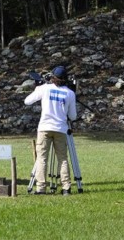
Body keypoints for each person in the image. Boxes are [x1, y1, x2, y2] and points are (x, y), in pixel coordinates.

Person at [24, 66, 77, 196]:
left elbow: (27, 101)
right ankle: (66, 187)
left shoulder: (44, 89)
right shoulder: (70, 93)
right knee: (63, 159)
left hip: (44, 128)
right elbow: (73, 116)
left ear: (53, 78)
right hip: (61, 129)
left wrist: (38, 87)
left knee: (42, 158)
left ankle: (41, 188)